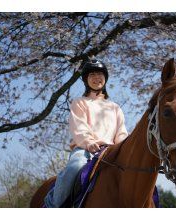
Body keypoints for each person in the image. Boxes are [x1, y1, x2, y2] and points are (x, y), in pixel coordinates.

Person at [44, 59, 128, 208]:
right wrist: (89, 142)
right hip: (85, 149)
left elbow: (121, 132)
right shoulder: (80, 102)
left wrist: (124, 147)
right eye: (92, 75)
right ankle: (52, 205)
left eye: (100, 74)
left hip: (111, 152)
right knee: (75, 167)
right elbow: (79, 128)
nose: (97, 78)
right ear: (86, 80)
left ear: (105, 78)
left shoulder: (115, 108)